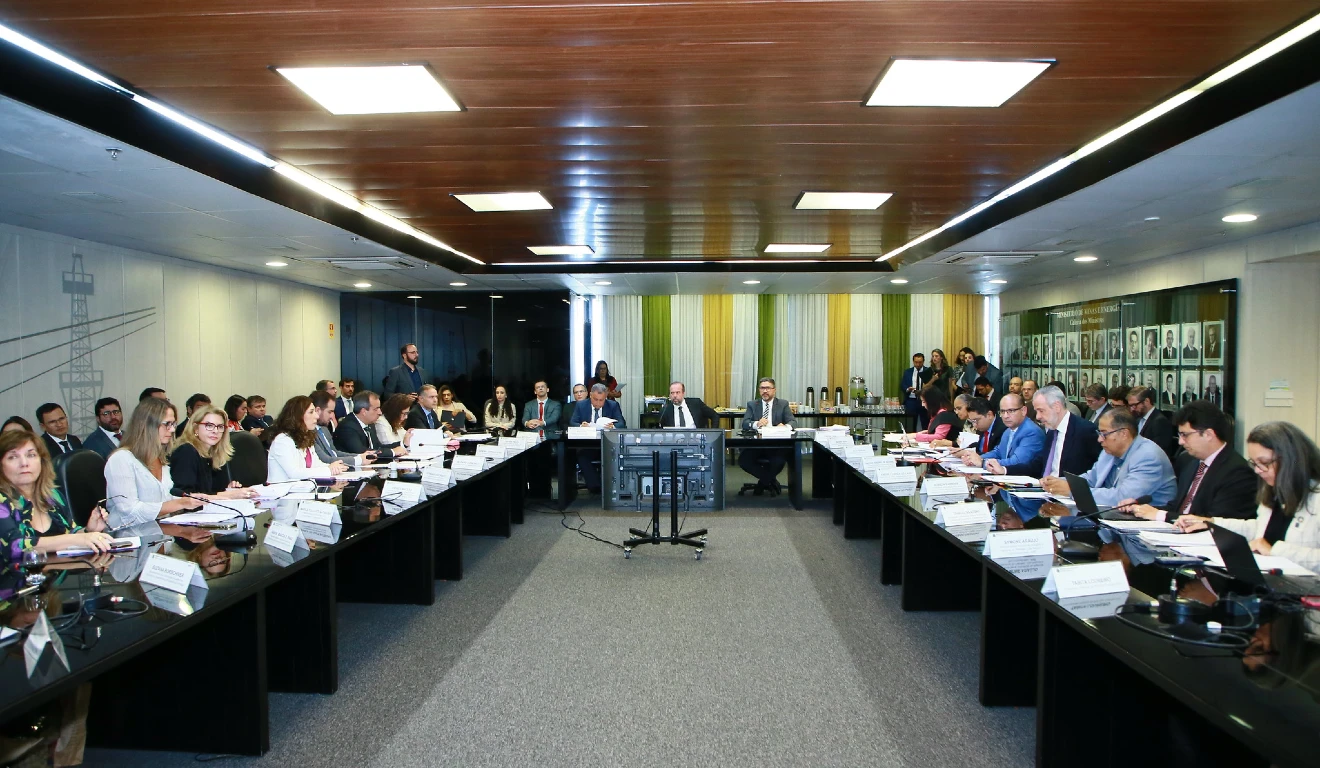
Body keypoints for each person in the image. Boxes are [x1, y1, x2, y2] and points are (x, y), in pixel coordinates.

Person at [1176, 421, 1320, 571]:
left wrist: (1275, 550)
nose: (1257, 471)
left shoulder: (1316, 497)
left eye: (1264, 463)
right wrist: (1211, 523)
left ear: (1291, 459)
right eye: (1254, 463)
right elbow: (1259, 529)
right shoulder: (1274, 490)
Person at [1120, 401, 1256, 522]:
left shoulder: (1237, 472)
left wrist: (1160, 515)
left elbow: (1215, 521)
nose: (1180, 442)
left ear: (1208, 434)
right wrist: (1141, 509)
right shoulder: (1190, 461)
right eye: (1179, 435)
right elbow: (1178, 508)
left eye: (1185, 435)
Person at [0, 429, 114, 562]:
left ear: (42, 462)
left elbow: (70, 533)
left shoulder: (52, 495)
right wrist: (76, 539)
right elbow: (14, 547)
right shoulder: (2, 500)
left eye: (31, 455)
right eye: (13, 457)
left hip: (56, 579)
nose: (24, 463)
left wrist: (88, 531)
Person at [1041, 409, 1176, 508]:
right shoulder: (1110, 450)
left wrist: (1072, 491)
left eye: (1104, 434)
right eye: (1099, 433)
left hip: (1144, 527)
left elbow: (1123, 497)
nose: (1099, 439)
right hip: (1112, 516)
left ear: (1123, 434)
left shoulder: (1148, 457)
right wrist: (1058, 482)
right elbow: (1091, 479)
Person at [105, 398, 203, 528]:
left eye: (173, 424)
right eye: (167, 424)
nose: (173, 430)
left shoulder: (160, 458)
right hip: (128, 538)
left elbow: (165, 500)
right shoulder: (121, 459)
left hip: (160, 534)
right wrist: (181, 503)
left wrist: (193, 500)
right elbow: (129, 511)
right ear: (147, 425)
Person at [168, 406, 257, 497]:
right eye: (209, 426)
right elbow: (184, 496)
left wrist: (228, 489)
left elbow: (211, 491)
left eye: (220, 427)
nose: (215, 431)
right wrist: (227, 495)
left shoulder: (213, 453)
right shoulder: (186, 452)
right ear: (196, 428)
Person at [1022, 385, 1101, 479]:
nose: (1038, 417)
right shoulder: (1052, 430)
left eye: (1041, 411)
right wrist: (1005, 469)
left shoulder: (1085, 431)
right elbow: (1041, 463)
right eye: (1037, 411)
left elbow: (1098, 470)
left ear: (1057, 407)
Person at [267, 396, 348, 482]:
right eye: (311, 412)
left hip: (303, 490)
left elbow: (316, 464)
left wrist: (332, 467)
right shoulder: (282, 440)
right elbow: (294, 473)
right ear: (298, 416)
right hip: (283, 493)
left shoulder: (306, 437)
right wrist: (328, 470)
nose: (317, 416)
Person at [965, 394, 1047, 476]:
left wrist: (983, 462)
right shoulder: (1008, 431)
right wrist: (977, 458)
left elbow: (1016, 462)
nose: (1005, 416)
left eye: (1011, 411)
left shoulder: (1031, 432)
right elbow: (998, 452)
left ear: (1023, 411)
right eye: (1002, 411)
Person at [737, 378, 795, 493]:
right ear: (759, 390)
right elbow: (744, 423)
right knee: (744, 461)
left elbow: (793, 422)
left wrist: (785, 427)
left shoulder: (782, 404)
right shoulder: (752, 404)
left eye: (768, 388)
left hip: (775, 444)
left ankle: (762, 483)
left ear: (774, 390)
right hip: (756, 444)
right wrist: (756, 424)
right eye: (762, 388)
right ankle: (770, 480)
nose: (765, 391)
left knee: (778, 462)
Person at [570, 384, 626, 493]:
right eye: (596, 399)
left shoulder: (613, 405)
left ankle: (612, 486)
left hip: (607, 444)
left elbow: (622, 423)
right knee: (581, 456)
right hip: (588, 444)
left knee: (615, 456)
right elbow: (573, 422)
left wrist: (613, 426)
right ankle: (597, 487)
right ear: (590, 395)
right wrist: (582, 426)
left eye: (602, 400)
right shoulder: (581, 405)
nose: (598, 403)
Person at [310, 390, 376, 466]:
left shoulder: (324, 429)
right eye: (329, 412)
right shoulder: (309, 433)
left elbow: (335, 453)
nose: (332, 416)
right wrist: (358, 460)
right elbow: (325, 459)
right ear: (318, 411)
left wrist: (360, 456)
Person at [335, 391, 403, 458]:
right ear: (364, 411)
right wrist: (392, 452)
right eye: (376, 409)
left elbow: (377, 447)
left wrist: (402, 444)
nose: (380, 412)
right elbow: (362, 452)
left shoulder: (370, 424)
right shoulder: (347, 427)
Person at [1127, 386, 1176, 460]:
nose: (1132, 409)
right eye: (1130, 406)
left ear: (1146, 401)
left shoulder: (1160, 422)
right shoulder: (1137, 419)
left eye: (1134, 405)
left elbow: (1158, 452)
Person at [900, 352, 931, 429]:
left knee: (926, 423)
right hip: (911, 400)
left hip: (924, 401)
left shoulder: (928, 371)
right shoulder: (908, 372)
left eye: (920, 362)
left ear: (923, 362)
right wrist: (908, 389)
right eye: (916, 362)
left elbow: (931, 386)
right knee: (910, 425)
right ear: (913, 361)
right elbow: (903, 385)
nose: (918, 364)